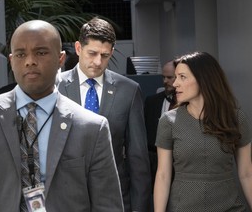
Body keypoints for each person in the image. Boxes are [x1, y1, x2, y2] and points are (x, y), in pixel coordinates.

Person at [0, 20, 124, 212]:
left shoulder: (92, 127)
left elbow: (107, 205)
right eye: (21, 54)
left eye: (40, 52)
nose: (30, 61)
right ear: (12, 60)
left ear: (61, 58)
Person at [58, 17, 151, 212]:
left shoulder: (129, 90)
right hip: (66, 200)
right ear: (78, 48)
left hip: (115, 199)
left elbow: (138, 157)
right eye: (92, 53)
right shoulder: (55, 87)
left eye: (105, 55)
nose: (98, 62)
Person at [154, 51, 252, 211]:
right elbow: (163, 175)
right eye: (176, 77)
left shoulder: (236, 118)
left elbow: (247, 173)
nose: (175, 83)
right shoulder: (168, 121)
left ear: (204, 79)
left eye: (182, 77)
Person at [144, 60, 176, 191]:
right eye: (163, 77)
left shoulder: (190, 106)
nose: (165, 81)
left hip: (180, 164)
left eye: (169, 77)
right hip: (154, 163)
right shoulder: (151, 102)